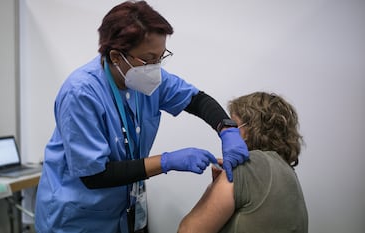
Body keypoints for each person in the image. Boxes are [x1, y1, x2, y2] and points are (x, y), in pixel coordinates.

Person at [34, 1, 249, 233]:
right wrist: (167, 161)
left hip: (123, 210)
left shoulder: (144, 78)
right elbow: (95, 175)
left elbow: (197, 100)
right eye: (149, 59)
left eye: (160, 57)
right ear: (116, 56)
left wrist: (227, 129)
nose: (156, 68)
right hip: (77, 217)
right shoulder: (81, 94)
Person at [178, 92, 308, 233]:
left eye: (234, 125)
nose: (230, 132)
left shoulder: (250, 165)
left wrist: (212, 189)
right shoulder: (288, 173)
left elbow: (187, 230)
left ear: (253, 127)